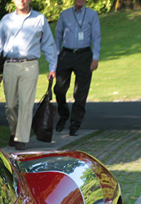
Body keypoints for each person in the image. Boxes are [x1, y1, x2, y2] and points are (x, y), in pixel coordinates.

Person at [0, 0, 57, 151]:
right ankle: (14, 130)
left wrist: (52, 66)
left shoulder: (39, 19)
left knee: (26, 103)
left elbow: (49, 44)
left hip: (30, 65)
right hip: (10, 64)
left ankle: (21, 138)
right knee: (10, 105)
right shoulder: (6, 20)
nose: (22, 1)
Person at [54, 0, 101, 136]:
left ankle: (75, 123)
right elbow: (57, 36)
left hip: (84, 55)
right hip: (66, 54)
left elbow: (96, 37)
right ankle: (64, 115)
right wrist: (56, 56)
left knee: (80, 92)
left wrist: (95, 57)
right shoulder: (65, 15)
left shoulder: (92, 14)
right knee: (59, 89)